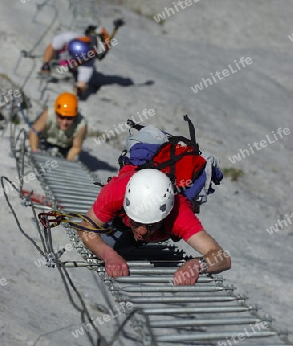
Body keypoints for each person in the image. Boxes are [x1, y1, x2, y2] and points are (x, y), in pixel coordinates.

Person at [77, 167, 231, 285]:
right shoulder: (116, 192)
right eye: (137, 223)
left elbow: (222, 257)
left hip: (149, 224)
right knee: (103, 246)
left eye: (150, 225)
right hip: (121, 222)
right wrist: (108, 254)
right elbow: (85, 227)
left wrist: (197, 265)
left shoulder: (178, 214)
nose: (142, 231)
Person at [40, 20, 124, 97]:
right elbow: (51, 47)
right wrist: (46, 65)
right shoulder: (68, 37)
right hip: (62, 56)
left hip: (72, 64)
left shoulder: (87, 64)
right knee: (54, 54)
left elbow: (82, 84)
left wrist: (79, 90)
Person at [29, 92, 87, 161]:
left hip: (65, 148)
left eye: (69, 118)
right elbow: (34, 132)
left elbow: (76, 148)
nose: (64, 122)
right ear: (56, 113)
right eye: (61, 117)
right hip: (45, 141)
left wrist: (67, 164)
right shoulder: (48, 114)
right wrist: (35, 151)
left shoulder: (81, 125)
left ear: (75, 116)